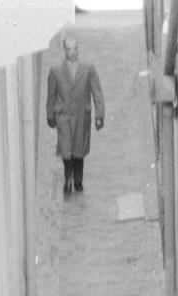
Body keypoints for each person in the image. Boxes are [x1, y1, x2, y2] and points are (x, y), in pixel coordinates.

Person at [45, 31, 105, 199]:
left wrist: (99, 115)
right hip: (63, 115)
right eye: (70, 49)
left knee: (79, 150)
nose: (73, 52)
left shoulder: (88, 68)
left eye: (75, 48)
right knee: (66, 150)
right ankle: (68, 179)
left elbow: (97, 91)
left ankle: (78, 180)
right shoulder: (56, 71)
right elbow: (51, 95)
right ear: (65, 50)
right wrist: (50, 114)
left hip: (81, 115)